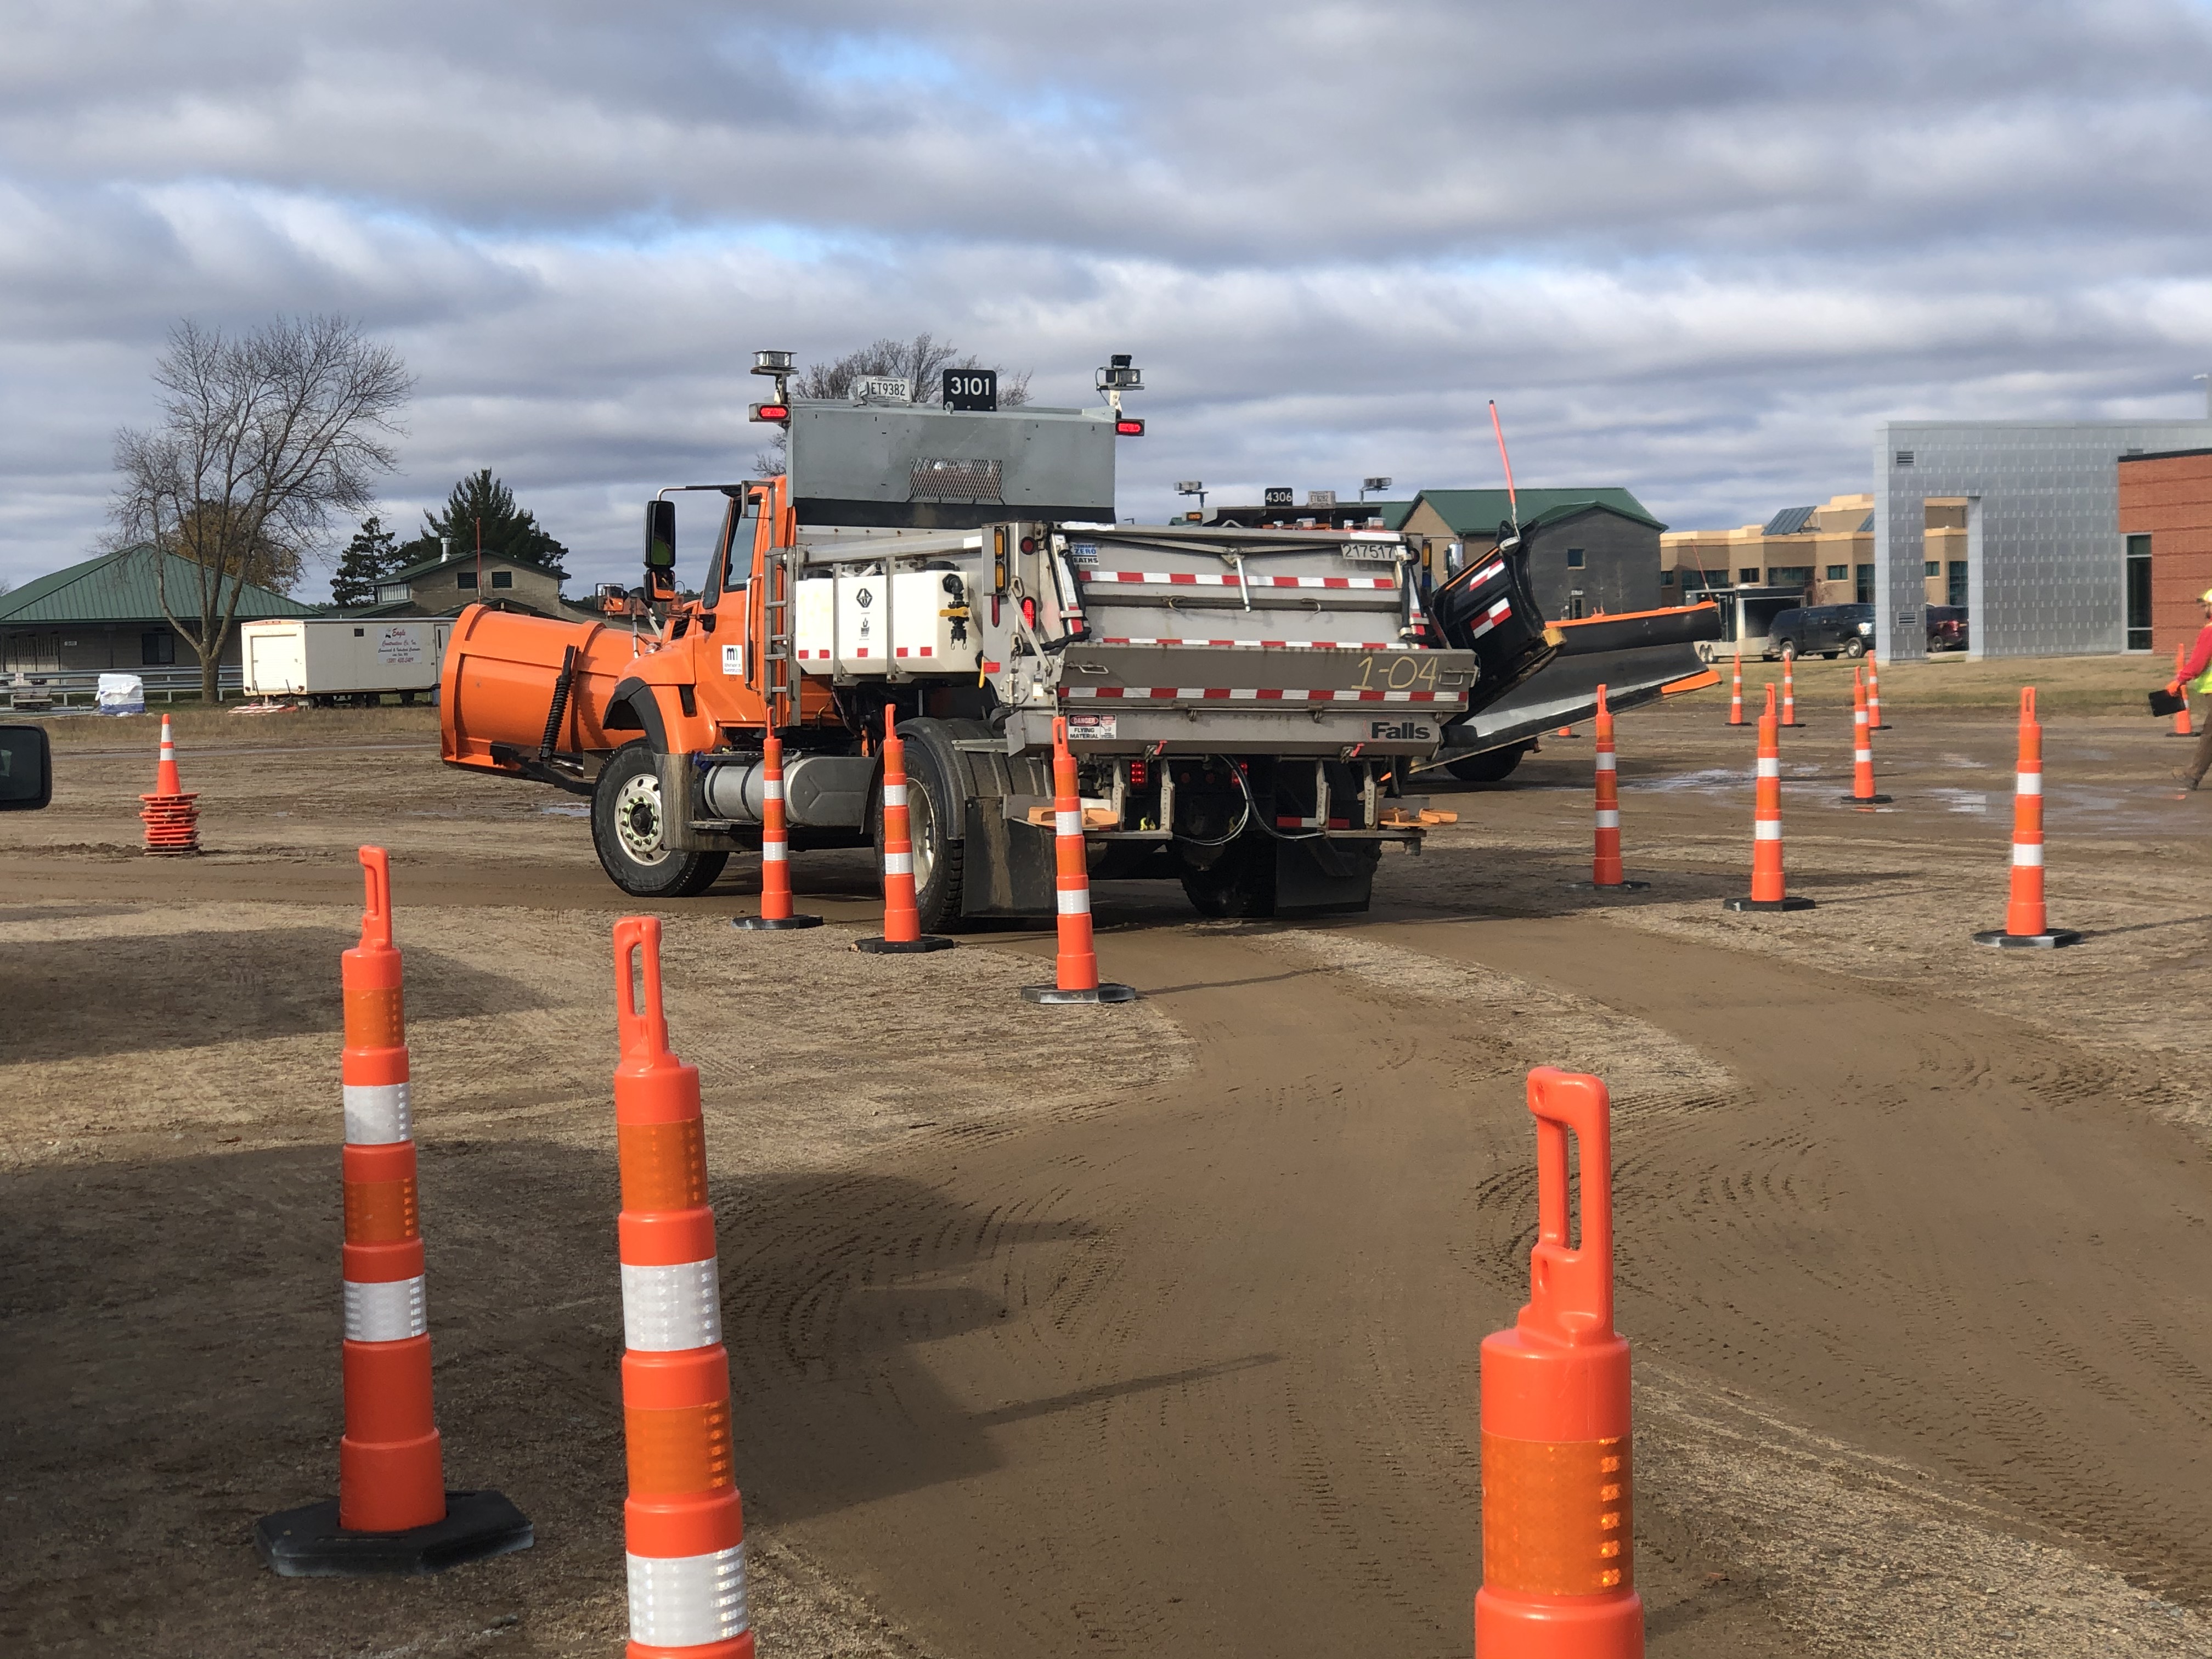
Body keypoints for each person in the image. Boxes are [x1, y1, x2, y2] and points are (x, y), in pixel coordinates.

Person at [2173, 588, 2212, 788]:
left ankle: (2193, 775)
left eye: (2206, 606)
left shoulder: (2210, 631)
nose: (2204, 609)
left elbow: (2199, 663)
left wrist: (2180, 679)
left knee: (2210, 735)